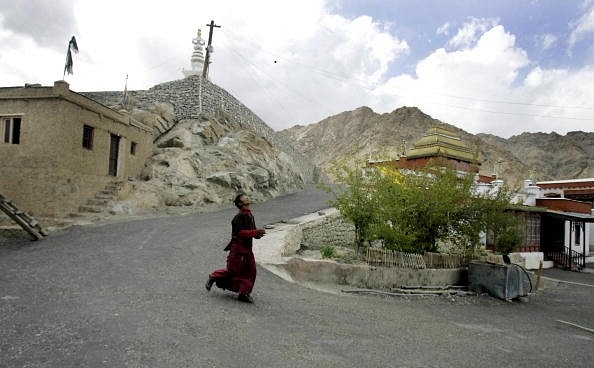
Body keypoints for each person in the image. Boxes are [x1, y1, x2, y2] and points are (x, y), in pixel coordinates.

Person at [205, 194, 266, 303]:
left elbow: (251, 230)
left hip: (247, 249)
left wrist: (257, 235)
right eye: (244, 198)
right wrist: (255, 232)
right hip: (238, 249)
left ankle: (244, 293)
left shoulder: (249, 214)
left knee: (250, 271)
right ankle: (214, 276)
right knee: (233, 270)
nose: (247, 198)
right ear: (240, 203)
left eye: (248, 197)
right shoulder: (239, 216)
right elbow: (240, 232)